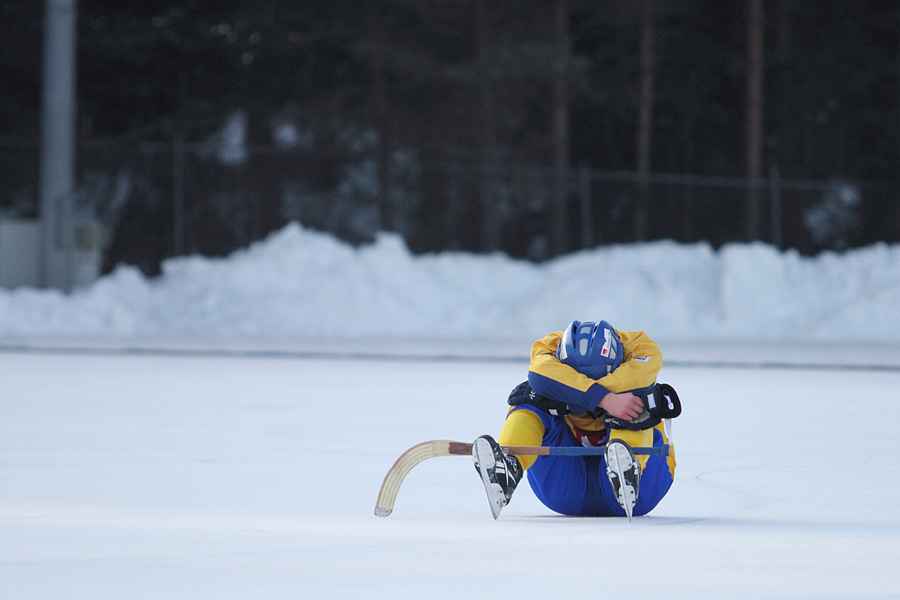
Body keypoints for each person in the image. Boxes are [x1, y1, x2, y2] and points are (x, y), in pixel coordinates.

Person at [472, 320, 680, 520]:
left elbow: (636, 379)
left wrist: (570, 395)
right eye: (577, 375)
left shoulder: (641, 347)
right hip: (566, 490)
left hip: (643, 491)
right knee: (529, 398)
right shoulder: (550, 345)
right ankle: (509, 466)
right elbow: (539, 375)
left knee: (637, 401)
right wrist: (605, 399)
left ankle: (628, 468)